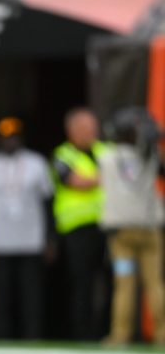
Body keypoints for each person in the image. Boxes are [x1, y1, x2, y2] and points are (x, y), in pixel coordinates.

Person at [0, 117, 55, 339]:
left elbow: (48, 204)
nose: (10, 142)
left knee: (32, 296)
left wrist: (50, 239)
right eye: (6, 138)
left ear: (21, 138)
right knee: (0, 297)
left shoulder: (37, 163)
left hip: (31, 241)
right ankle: (1, 338)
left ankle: (33, 338)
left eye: (14, 137)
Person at [98, 106, 165, 346]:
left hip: (121, 231)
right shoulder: (151, 155)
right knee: (154, 283)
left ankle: (120, 335)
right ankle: (162, 334)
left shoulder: (107, 157)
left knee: (124, 284)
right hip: (149, 229)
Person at [52, 107, 112, 340]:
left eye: (93, 127)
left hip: (108, 226)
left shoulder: (105, 151)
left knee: (112, 282)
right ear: (72, 130)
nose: (92, 132)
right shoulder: (63, 154)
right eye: (86, 128)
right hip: (78, 229)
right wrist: (108, 176)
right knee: (82, 283)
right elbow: (76, 182)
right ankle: (82, 334)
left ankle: (108, 332)